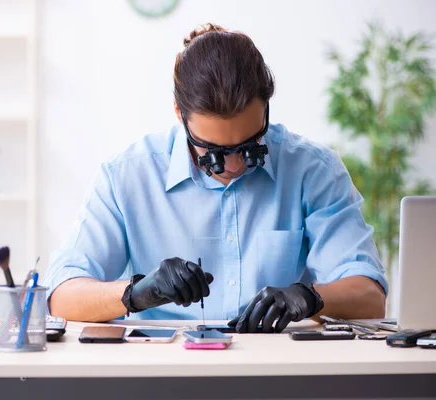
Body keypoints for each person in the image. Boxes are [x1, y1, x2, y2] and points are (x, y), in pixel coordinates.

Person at [41, 23, 388, 333]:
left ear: (266, 109)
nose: (235, 165)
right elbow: (61, 296)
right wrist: (138, 292)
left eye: (251, 146)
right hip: (161, 372)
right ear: (180, 114)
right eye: (213, 152)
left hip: (278, 369)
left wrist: (308, 297)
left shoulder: (314, 170)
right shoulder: (127, 177)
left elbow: (370, 296)